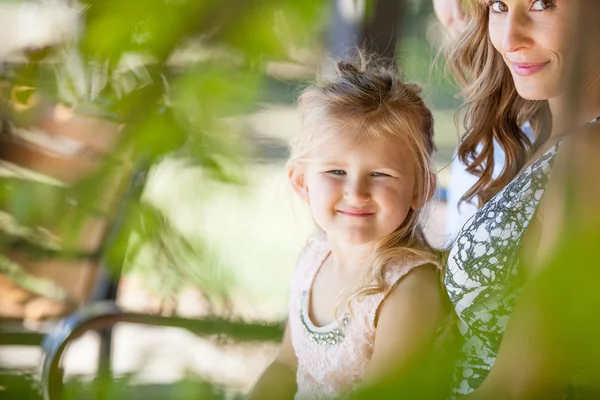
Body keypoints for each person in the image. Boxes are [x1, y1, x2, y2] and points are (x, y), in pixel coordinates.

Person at [248, 56, 452, 399]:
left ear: (419, 189)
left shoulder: (407, 289)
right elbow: (286, 363)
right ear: (301, 182)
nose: (356, 192)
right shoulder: (313, 261)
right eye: (336, 172)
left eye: (380, 174)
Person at [443, 0, 600, 398]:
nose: (510, 37)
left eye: (542, 4)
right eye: (498, 5)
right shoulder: (538, 133)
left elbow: (523, 383)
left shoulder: (590, 158)